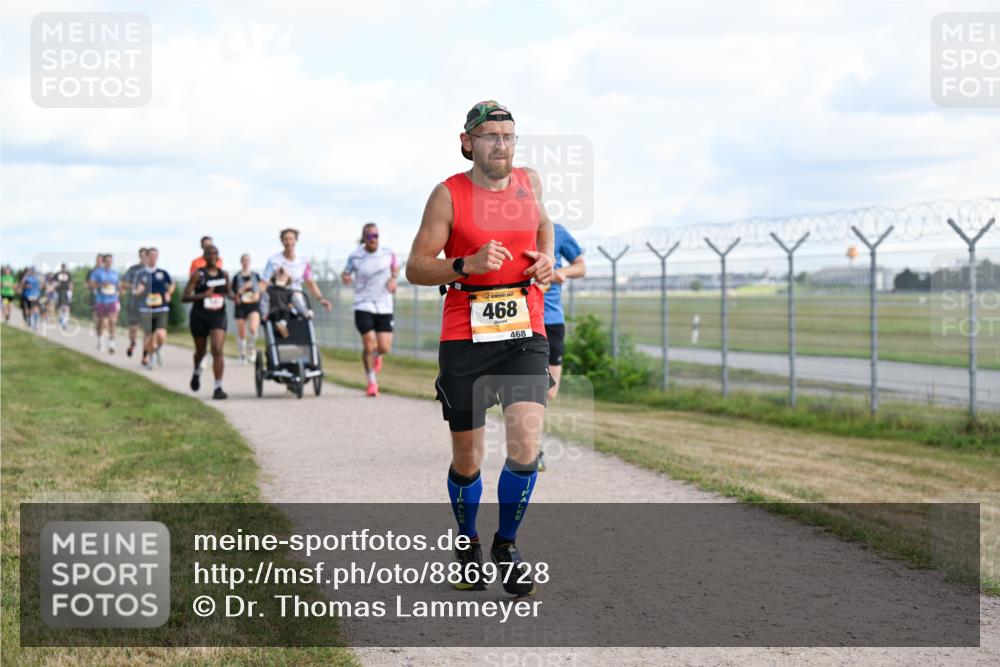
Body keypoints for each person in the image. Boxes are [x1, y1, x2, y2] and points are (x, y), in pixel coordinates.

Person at [405, 101, 555, 596]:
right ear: (468, 141)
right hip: (465, 332)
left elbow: (543, 226)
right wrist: (464, 264)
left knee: (526, 441)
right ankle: (467, 542)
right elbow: (417, 267)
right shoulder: (448, 195)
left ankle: (506, 545)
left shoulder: (529, 182)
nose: (501, 145)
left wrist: (547, 259)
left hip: (523, 327)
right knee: (468, 458)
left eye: (509, 136)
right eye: (490, 136)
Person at [536, 223, 586, 472]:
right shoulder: (510, 228)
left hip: (551, 320)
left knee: (549, 391)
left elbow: (581, 266)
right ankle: (533, 449)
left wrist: (563, 272)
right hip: (520, 319)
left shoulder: (558, 232)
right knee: (529, 389)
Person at [342, 222, 399, 397]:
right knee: (369, 343)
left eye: (376, 236)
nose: (373, 239)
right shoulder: (355, 256)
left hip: (384, 305)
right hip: (363, 304)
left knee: (384, 347)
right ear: (364, 238)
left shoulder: (388, 253)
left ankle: (377, 355)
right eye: (369, 236)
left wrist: (394, 279)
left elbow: (395, 269)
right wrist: (345, 277)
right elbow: (346, 272)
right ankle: (372, 383)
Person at [183, 245, 230, 399]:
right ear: (204, 256)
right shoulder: (198, 275)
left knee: (217, 348)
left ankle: (218, 387)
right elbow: (184, 297)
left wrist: (237, 297)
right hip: (200, 316)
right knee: (201, 352)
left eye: (215, 254)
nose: (212, 256)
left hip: (218, 316)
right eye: (209, 254)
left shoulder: (224, 275)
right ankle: (197, 371)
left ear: (218, 256)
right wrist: (203, 295)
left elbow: (228, 292)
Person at [260, 228, 333, 312]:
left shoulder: (303, 261)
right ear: (282, 241)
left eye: (291, 239)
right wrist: (256, 295)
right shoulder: (273, 261)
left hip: (297, 299)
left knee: (305, 317)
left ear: (295, 240)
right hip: (278, 301)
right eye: (285, 239)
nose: (289, 242)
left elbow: (310, 282)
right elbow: (264, 283)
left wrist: (321, 299)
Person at [132, 247, 174, 369]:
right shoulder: (140, 274)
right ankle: (151, 357)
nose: (153, 258)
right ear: (146, 257)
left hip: (161, 308)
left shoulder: (162, 273)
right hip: (146, 309)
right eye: (151, 255)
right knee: (149, 334)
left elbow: (172, 284)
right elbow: (134, 291)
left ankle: (157, 349)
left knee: (161, 334)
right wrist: (138, 291)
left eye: (155, 255)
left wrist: (168, 293)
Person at [232, 253, 263, 365]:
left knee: (253, 329)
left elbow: (260, 288)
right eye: (244, 260)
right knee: (241, 332)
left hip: (253, 304)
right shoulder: (237, 277)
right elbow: (233, 293)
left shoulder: (255, 275)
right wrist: (240, 292)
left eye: (248, 260)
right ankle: (242, 354)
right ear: (241, 262)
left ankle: (251, 348)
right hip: (241, 305)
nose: (246, 262)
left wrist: (258, 294)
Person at [88, 254, 120, 353]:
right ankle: (100, 340)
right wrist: (101, 284)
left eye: (111, 261)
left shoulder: (115, 273)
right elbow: (91, 284)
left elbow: (118, 285)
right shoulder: (97, 272)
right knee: (101, 322)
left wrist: (118, 291)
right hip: (101, 300)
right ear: (104, 262)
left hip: (112, 300)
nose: (110, 263)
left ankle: (112, 343)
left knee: (112, 321)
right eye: (108, 261)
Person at [121, 248, 148, 357]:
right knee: (134, 328)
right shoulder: (133, 269)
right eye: (141, 255)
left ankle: (145, 355)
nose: (143, 257)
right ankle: (132, 343)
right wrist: (135, 287)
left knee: (147, 331)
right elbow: (123, 283)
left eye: (145, 255)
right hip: (134, 303)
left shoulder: (152, 270)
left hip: (148, 304)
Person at [19, 266, 42, 331]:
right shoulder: (27, 278)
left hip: (35, 296)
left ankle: (34, 324)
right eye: (32, 271)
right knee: (28, 309)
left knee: (35, 310)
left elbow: (41, 286)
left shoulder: (37, 278)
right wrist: (26, 285)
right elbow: (22, 284)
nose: (32, 272)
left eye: (33, 271)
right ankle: (29, 321)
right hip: (27, 295)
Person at [54, 264, 74, 331]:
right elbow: (53, 283)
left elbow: (71, 283)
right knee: (60, 308)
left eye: (65, 268)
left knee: (66, 307)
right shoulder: (57, 274)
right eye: (63, 268)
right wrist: (56, 285)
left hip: (66, 292)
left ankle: (64, 322)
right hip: (58, 293)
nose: (64, 269)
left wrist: (71, 292)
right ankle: (61, 319)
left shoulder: (68, 274)